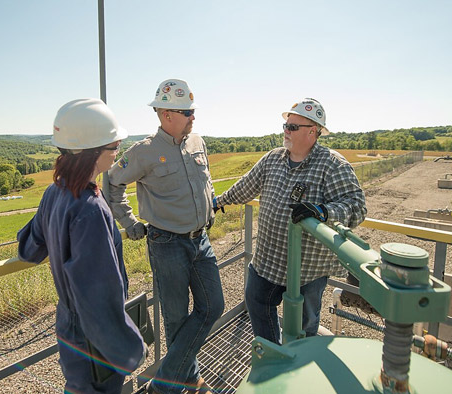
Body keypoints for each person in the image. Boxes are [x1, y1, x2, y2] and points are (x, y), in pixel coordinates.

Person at [17, 98, 146, 393]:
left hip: (68, 325)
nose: (117, 153)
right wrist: (130, 349)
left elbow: (29, 249)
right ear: (92, 153)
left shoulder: (55, 192)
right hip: (93, 337)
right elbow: (98, 295)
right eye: (113, 147)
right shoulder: (90, 208)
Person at [214, 98, 366, 345]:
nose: (286, 131)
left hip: (307, 270)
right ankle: (273, 355)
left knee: (304, 327)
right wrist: (218, 201)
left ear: (313, 132)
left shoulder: (333, 165)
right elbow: (246, 187)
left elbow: (357, 207)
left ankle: (298, 367)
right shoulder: (273, 159)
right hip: (267, 262)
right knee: (257, 303)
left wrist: (322, 211)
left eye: (293, 127)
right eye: (285, 125)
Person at [107, 79, 224, 394]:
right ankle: (188, 380)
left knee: (213, 306)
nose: (193, 117)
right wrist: (129, 222)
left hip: (201, 240)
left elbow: (207, 180)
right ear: (166, 114)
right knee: (175, 319)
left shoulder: (197, 142)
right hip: (166, 243)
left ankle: (163, 386)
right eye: (187, 111)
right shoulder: (144, 152)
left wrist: (209, 208)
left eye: (193, 110)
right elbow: (112, 184)